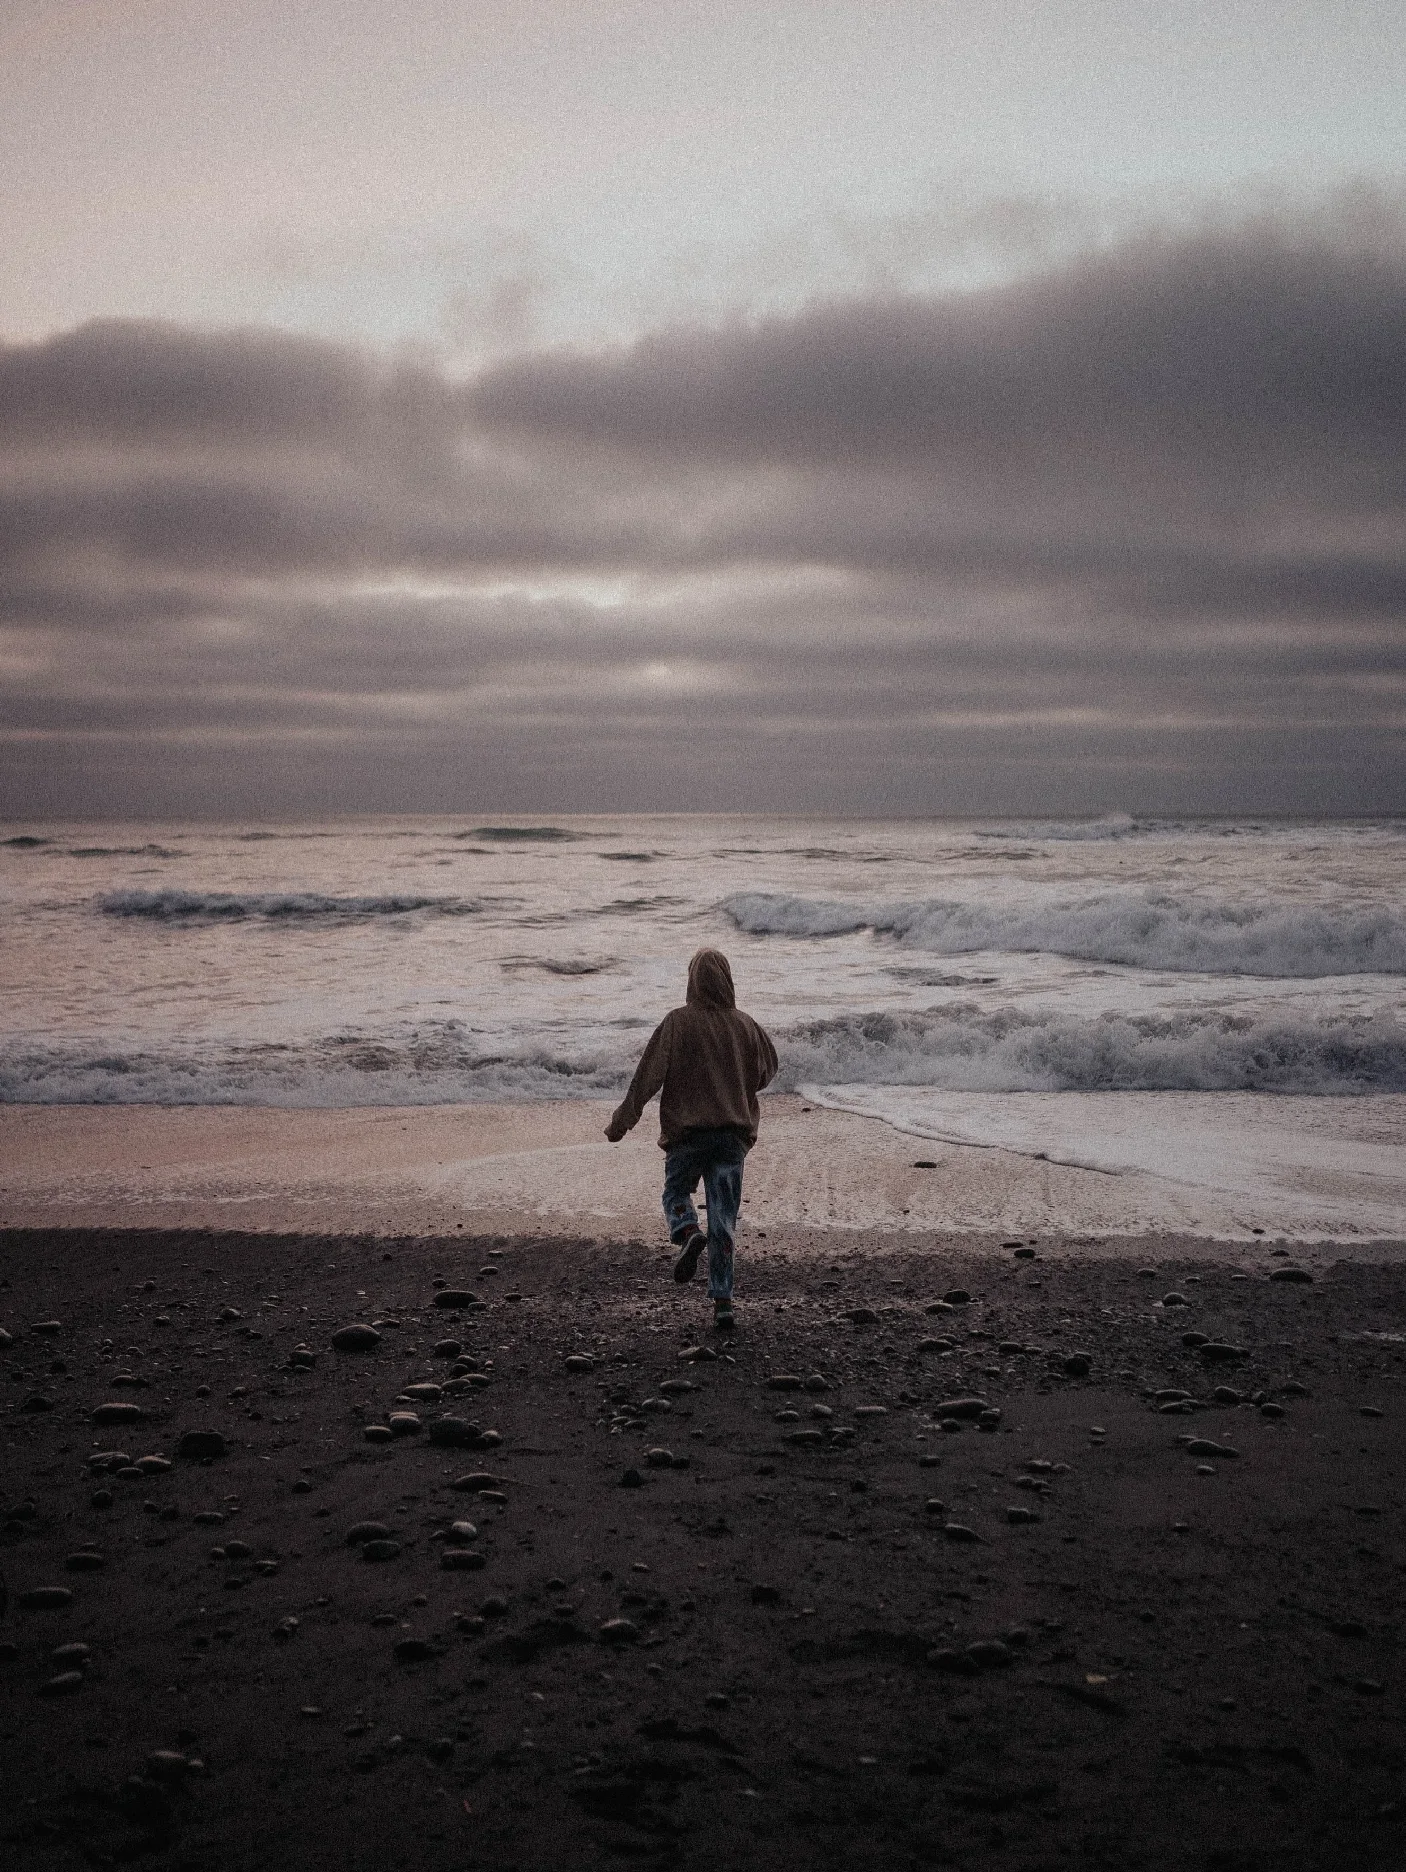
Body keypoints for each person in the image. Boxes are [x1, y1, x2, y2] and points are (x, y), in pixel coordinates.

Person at [604, 947, 778, 1330]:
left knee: (676, 1193)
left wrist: (623, 1121)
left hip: (687, 1134)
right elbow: (767, 1070)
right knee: (724, 1219)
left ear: (692, 981)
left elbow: (647, 1077)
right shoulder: (746, 1025)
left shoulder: (677, 1022)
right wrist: (736, 1081)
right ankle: (723, 1302)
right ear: (728, 980)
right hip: (732, 1136)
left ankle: (687, 1231)